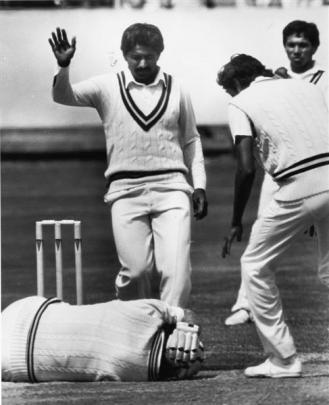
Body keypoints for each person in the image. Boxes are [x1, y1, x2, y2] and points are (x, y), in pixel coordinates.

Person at [48, 24, 207, 308]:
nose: (143, 63)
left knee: (177, 271)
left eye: (149, 56)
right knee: (137, 273)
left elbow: (191, 138)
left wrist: (200, 185)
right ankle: (135, 326)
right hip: (125, 191)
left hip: (172, 189)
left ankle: (171, 335)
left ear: (160, 53)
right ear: (124, 55)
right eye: (136, 57)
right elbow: (63, 96)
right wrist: (64, 65)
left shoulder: (178, 88)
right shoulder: (106, 86)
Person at [217, 54, 329, 377]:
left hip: (299, 185)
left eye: (229, 90)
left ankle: (283, 360)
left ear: (237, 84)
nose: (230, 97)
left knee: (254, 265)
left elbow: (246, 167)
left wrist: (237, 220)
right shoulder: (304, 87)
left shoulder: (240, 102)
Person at [2, 295, 204, 382]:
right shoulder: (135, 372)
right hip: (16, 361)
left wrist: (188, 327)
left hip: (26, 313)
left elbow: (186, 313)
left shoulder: (148, 311)